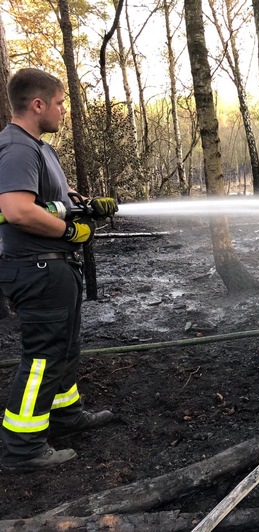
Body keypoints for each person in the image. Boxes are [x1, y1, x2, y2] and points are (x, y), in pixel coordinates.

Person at [0, 68, 118, 471]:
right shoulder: (16, 147)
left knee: (65, 350)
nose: (63, 110)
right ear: (38, 105)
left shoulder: (42, 149)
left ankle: (66, 416)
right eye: (60, 102)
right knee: (42, 358)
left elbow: (57, 198)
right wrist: (71, 231)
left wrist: (86, 205)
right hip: (36, 269)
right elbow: (17, 210)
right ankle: (23, 447)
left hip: (54, 268)